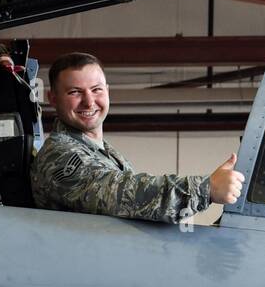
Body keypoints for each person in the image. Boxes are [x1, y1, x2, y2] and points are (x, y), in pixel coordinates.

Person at [30, 52, 243, 223]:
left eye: (96, 90)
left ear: (107, 92)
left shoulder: (102, 151)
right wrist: (205, 188)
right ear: (53, 99)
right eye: (75, 92)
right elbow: (118, 193)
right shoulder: (59, 155)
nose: (89, 101)